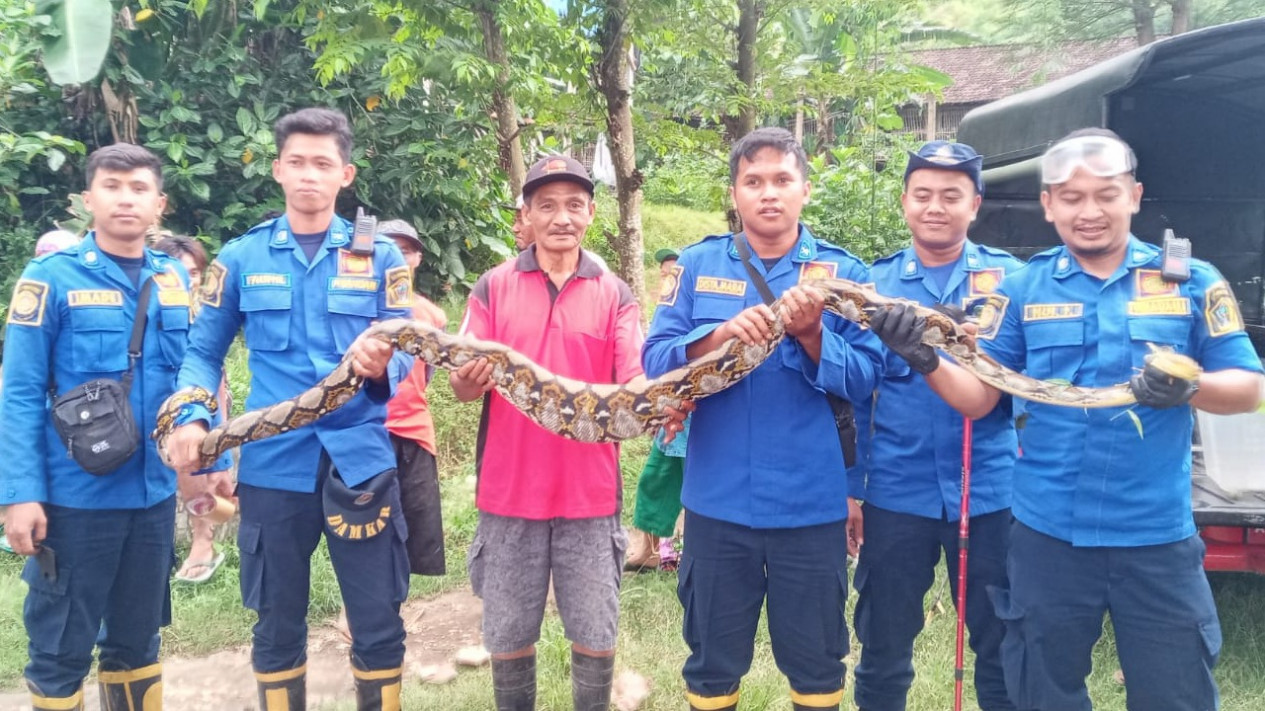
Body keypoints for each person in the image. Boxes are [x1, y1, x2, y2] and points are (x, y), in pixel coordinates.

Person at [872, 128, 1264, 711]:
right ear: (1049, 204)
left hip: (1155, 537)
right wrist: (924, 357)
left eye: (1105, 195)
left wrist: (1191, 386)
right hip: (1047, 536)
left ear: (1134, 195)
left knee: (1175, 694)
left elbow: (1249, 388)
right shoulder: (1022, 290)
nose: (1090, 212)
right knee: (1040, 691)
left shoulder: (1191, 281)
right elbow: (982, 398)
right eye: (1072, 197)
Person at [164, 108, 416, 711]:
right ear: (277, 169)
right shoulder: (241, 259)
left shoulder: (383, 259)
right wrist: (192, 417)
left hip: (359, 461)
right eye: (297, 162)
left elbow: (410, 353)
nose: (309, 175)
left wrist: (385, 366)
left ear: (345, 174)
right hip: (274, 467)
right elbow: (201, 352)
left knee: (378, 620)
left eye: (322, 164)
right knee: (276, 625)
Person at [642, 127, 885, 711]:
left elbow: (868, 377)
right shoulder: (698, 265)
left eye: (782, 180)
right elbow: (655, 358)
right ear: (735, 193)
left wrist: (811, 335)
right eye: (753, 182)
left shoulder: (842, 275)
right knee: (711, 661)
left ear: (805, 189)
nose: (768, 193)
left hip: (810, 505)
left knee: (818, 661)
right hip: (717, 503)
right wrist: (717, 337)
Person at [1, 143, 229, 711]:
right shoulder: (49, 278)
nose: (125, 198)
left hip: (152, 494)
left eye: (138, 188)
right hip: (76, 496)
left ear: (160, 204)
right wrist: (19, 494)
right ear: (87, 199)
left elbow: (196, 374)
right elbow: (20, 392)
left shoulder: (174, 277)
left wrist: (215, 462)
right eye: (111, 186)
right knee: (61, 647)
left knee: (138, 640)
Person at [450, 155, 665, 711]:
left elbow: (633, 376)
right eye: (546, 206)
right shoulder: (492, 287)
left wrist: (656, 398)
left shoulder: (615, 293)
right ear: (526, 216)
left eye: (573, 204)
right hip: (509, 491)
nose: (561, 217)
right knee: (509, 628)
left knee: (595, 627)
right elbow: (462, 386)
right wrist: (467, 378)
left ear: (591, 213)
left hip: (589, 496)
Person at [849, 141, 1022, 711]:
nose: (936, 207)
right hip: (897, 493)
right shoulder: (872, 290)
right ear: (904, 202)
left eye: (952, 196)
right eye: (922, 194)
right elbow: (854, 399)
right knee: (882, 645)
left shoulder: (1010, 284)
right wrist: (853, 491)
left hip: (992, 492)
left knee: (1003, 646)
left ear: (975, 204)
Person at [154, 235, 233, 585]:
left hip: (200, 409)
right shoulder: (149, 307)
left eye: (196, 273)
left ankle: (204, 543)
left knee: (200, 482)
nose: (191, 280)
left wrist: (222, 442)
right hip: (155, 411)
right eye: (183, 272)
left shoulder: (202, 314)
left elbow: (214, 376)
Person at [626, 247, 690, 572]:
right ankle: (649, 551)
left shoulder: (696, 306)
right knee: (656, 478)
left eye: (674, 271)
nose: (669, 276)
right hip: (669, 415)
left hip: (699, 416)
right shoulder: (662, 314)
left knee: (699, 485)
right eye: (664, 272)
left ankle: (681, 552)